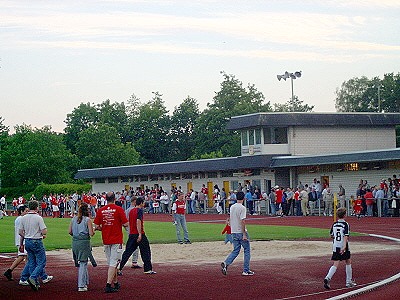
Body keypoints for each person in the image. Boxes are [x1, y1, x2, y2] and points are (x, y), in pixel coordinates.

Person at [94, 192, 128, 293]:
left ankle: (116, 282)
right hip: (116, 239)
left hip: (106, 239)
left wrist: (104, 227)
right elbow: (126, 223)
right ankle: (108, 284)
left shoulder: (101, 210)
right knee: (114, 263)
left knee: (111, 263)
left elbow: (96, 226)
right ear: (114, 199)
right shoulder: (118, 209)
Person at [18, 200, 51, 291]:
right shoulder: (38, 217)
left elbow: (20, 232)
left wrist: (27, 237)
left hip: (27, 240)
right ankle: (33, 277)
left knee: (31, 261)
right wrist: (41, 234)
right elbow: (44, 230)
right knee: (41, 261)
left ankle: (35, 282)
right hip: (36, 240)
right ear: (37, 207)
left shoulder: (23, 218)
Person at [118, 197, 156, 275]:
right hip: (139, 233)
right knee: (146, 251)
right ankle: (148, 269)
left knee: (127, 252)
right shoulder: (139, 211)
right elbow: (138, 221)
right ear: (141, 203)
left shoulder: (131, 211)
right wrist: (139, 234)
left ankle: (119, 268)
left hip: (132, 234)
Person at [221, 191, 254, 276]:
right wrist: (244, 234)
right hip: (240, 231)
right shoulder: (242, 208)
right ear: (243, 198)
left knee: (236, 250)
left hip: (234, 231)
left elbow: (231, 218)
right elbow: (242, 221)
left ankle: (226, 263)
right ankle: (246, 270)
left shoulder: (232, 207)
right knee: (247, 250)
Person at [323, 207, 356, 289]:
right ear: (344, 215)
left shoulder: (334, 224)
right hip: (343, 245)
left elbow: (331, 235)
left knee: (335, 263)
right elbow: (346, 236)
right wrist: (344, 246)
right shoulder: (345, 224)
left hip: (335, 246)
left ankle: (328, 277)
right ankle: (348, 281)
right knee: (348, 261)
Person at [69, 203, 95, 292]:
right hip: (84, 242)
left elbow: (70, 232)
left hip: (75, 242)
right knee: (83, 263)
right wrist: (93, 229)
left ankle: (85, 281)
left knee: (82, 263)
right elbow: (91, 233)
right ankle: (81, 284)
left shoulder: (73, 219)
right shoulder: (87, 220)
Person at [4, 205, 30, 281]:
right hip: (22, 241)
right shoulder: (22, 219)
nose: (27, 212)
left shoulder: (18, 219)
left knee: (22, 257)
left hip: (20, 240)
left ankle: (9, 271)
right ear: (21, 211)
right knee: (26, 257)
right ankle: (26, 275)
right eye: (26, 211)